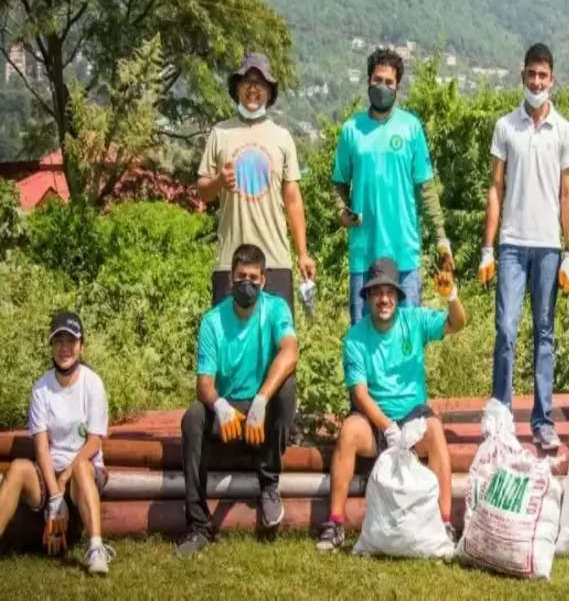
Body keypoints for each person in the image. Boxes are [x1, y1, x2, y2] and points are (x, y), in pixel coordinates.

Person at [315, 257, 466, 551]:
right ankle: (334, 523)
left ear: (397, 295)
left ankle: (445, 523)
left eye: (389, 292)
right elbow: (359, 393)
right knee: (348, 433)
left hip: (412, 416)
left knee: (434, 430)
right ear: (368, 297)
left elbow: (457, 323)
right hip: (374, 419)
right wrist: (386, 426)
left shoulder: (415, 320)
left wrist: (451, 296)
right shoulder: (355, 337)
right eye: (376, 292)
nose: (383, 298)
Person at [479, 43, 569, 450]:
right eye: (531, 75)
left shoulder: (565, 130)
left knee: (544, 333)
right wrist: (488, 248)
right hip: (513, 245)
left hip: (549, 246)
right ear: (523, 77)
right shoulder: (506, 127)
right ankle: (501, 412)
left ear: (552, 79)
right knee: (505, 329)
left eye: (544, 75)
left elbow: (568, 194)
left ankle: (542, 420)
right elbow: (495, 188)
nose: (537, 82)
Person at [176, 244, 298, 555]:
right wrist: (219, 405)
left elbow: (290, 353)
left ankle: (269, 483)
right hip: (228, 416)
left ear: (264, 279)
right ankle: (198, 526)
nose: (247, 283)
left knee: (286, 388)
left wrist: (261, 399)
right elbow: (204, 383)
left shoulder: (276, 309)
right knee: (192, 416)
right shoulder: (212, 321)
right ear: (231, 278)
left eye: (253, 277)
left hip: (262, 411)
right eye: (241, 276)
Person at [332, 47, 452, 324]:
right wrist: (341, 211)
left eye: (389, 81)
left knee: (408, 334)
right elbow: (338, 182)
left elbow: (426, 188)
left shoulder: (411, 128)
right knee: (362, 338)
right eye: (377, 80)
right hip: (364, 253)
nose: (382, 86)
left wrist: (441, 238)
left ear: (397, 87)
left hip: (404, 253)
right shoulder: (352, 129)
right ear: (368, 82)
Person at [197, 52, 315, 312]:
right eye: (247, 81)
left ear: (269, 92)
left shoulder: (282, 137)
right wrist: (220, 182)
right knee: (228, 346)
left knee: (278, 345)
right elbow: (203, 192)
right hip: (230, 263)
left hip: (274, 260)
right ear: (237, 88)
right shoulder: (220, 133)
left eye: (260, 83)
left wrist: (303, 253)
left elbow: (293, 198)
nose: (253, 88)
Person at [0, 312, 114, 574]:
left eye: (71, 341)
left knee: (84, 467)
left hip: (82, 475)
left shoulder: (93, 383)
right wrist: (53, 497)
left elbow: (94, 443)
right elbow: (41, 447)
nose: (65, 348)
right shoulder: (41, 388)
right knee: (17, 468)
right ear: (51, 346)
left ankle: (96, 548)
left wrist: (63, 484)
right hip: (50, 473)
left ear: (81, 346)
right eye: (58, 341)